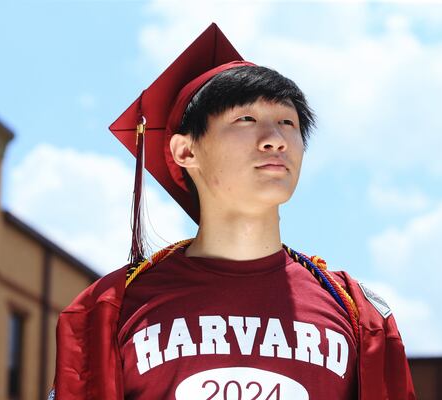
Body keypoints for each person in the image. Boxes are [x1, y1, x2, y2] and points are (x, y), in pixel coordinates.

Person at [49, 23, 416, 400]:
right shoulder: (112, 308)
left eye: (288, 123)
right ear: (186, 152)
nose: (275, 139)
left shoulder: (358, 314)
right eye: (246, 119)